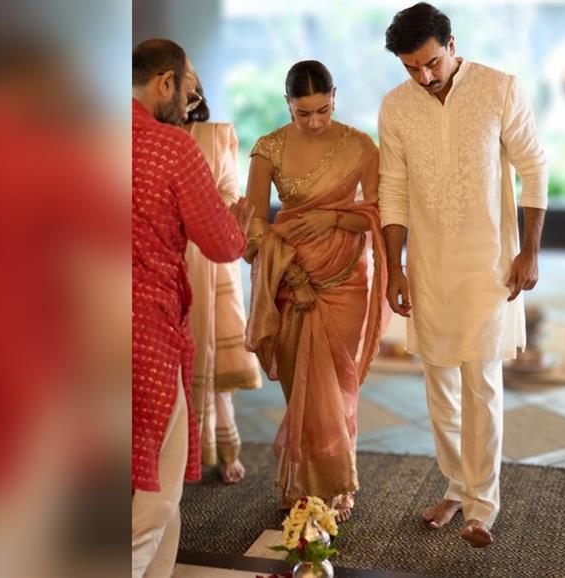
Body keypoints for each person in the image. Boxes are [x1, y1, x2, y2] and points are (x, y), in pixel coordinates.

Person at [378, 3, 548, 547]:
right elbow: (392, 189)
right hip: (429, 266)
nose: (424, 77)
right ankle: (456, 487)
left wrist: (530, 252)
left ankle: (482, 506)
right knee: (440, 385)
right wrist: (395, 268)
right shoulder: (396, 105)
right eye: (411, 67)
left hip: (489, 264)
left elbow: (534, 167)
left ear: (452, 45)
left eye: (431, 63)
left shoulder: (499, 88)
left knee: (481, 382)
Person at [245, 60, 386, 522]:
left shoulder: (360, 145)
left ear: (335, 97)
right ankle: (307, 482)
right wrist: (295, 278)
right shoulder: (268, 148)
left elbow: (378, 211)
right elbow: (254, 224)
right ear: (287, 104)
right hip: (289, 276)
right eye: (302, 112)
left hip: (346, 277)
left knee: (338, 385)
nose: (314, 121)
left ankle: (337, 484)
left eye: (323, 110)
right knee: (300, 385)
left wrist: (333, 218)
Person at [132, 38, 251, 578]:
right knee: (158, 488)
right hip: (144, 332)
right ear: (165, 83)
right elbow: (223, 243)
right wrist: (239, 223)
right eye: (188, 89)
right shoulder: (172, 147)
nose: (190, 102)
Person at [182, 75, 262, 484]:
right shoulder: (141, 138)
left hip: (208, 255)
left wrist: (201, 215)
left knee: (211, 356)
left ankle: (225, 449)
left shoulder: (214, 136)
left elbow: (230, 191)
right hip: (164, 254)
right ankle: (171, 456)